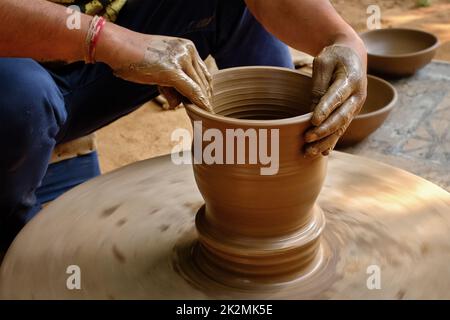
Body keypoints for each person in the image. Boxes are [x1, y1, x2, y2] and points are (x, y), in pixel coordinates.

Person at [0, 0, 367, 249]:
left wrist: (340, 38)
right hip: (17, 69)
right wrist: (107, 40)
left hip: (93, 59)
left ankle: (273, 185)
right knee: (20, 98)